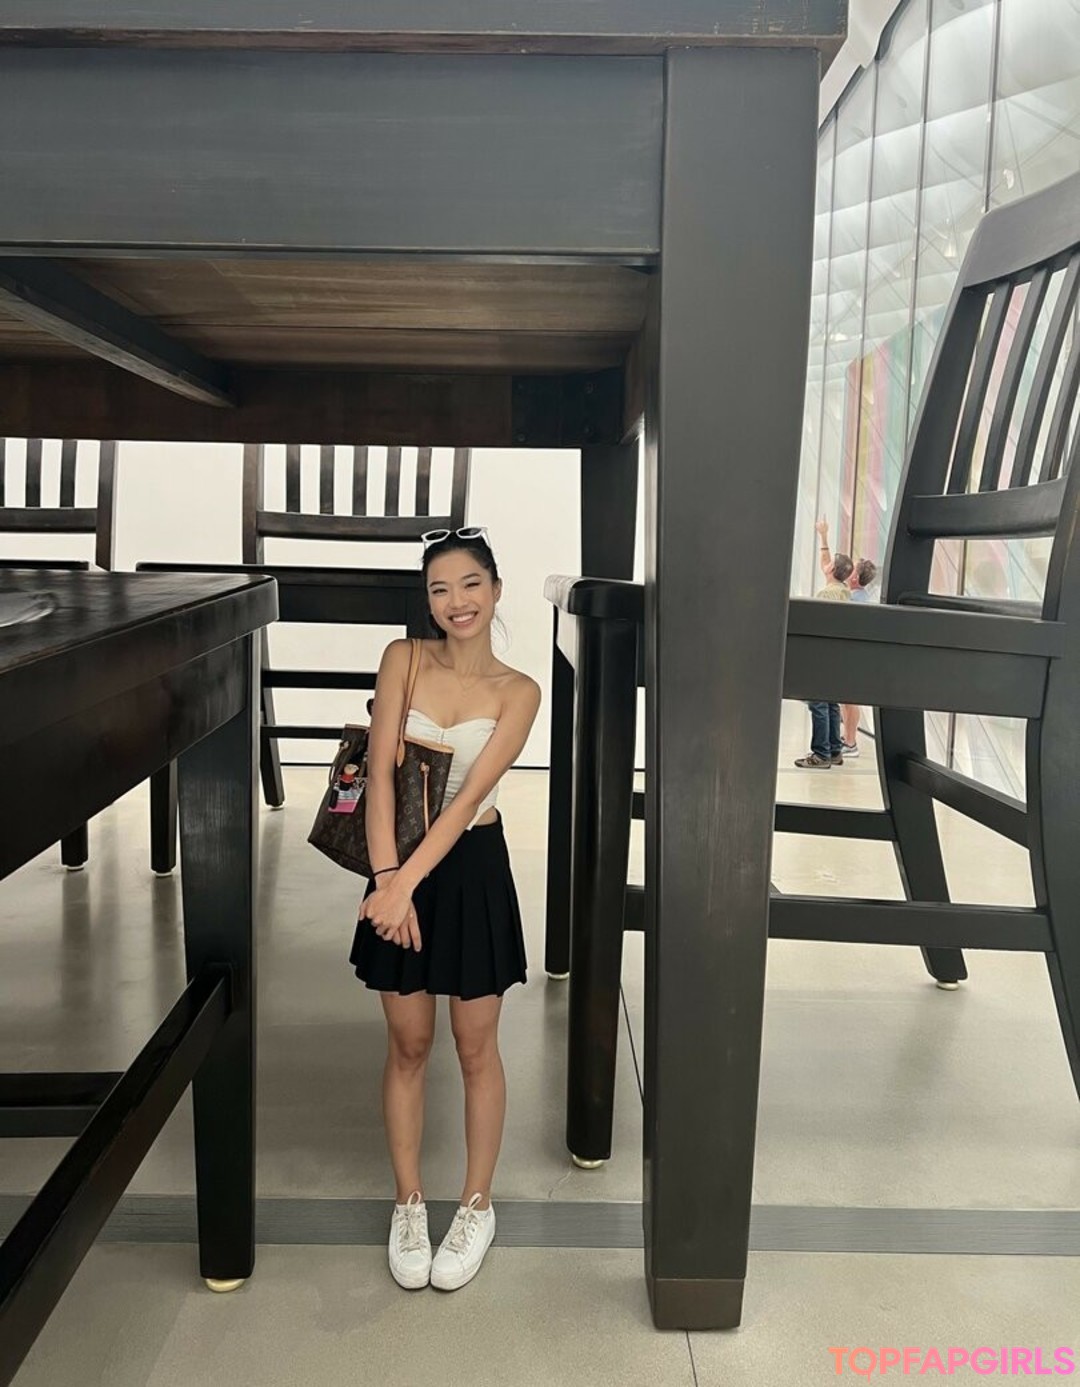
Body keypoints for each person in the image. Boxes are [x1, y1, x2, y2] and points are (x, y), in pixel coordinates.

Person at [350, 527, 541, 1293]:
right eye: (439, 588)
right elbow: (378, 772)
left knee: (474, 1046)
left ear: (495, 591)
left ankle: (475, 1206)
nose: (456, 601)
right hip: (395, 862)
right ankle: (408, 1202)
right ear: (426, 599)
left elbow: (466, 803)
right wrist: (387, 877)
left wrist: (403, 886)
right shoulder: (403, 657)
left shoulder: (519, 691)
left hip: (471, 870)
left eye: (469, 584)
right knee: (407, 1043)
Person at [795, 518, 852, 770]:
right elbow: (826, 563)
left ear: (831, 569)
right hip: (836, 658)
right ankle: (834, 750)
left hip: (823, 657)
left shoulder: (827, 594)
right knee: (830, 702)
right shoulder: (841, 590)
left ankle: (820, 754)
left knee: (817, 702)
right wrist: (823, 536)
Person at [840, 557, 878, 755]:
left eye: (852, 569)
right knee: (847, 700)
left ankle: (850, 742)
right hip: (855, 657)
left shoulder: (854, 600)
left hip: (853, 658)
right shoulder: (860, 597)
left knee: (850, 700)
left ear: (855, 577)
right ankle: (847, 737)